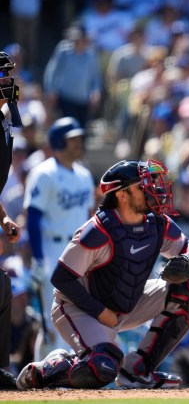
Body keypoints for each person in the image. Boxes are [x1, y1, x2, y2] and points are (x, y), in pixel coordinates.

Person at [16, 159, 189, 390]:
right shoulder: (98, 230)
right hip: (79, 307)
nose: (155, 188)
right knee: (101, 368)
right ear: (123, 195)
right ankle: (48, 370)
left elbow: (188, 247)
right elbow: (61, 279)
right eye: (144, 184)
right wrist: (101, 313)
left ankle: (138, 371)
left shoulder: (158, 223)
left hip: (125, 303)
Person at [23, 117, 95, 360]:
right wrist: (38, 259)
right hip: (53, 250)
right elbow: (32, 217)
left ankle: (73, 374)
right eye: (72, 139)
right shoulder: (43, 173)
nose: (78, 144)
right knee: (52, 321)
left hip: (80, 253)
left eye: (78, 139)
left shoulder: (84, 174)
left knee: (78, 319)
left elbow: (88, 218)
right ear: (58, 141)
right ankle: (39, 374)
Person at [0, 50, 23, 390]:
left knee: (2, 288)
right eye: (1, 75)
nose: (6, 81)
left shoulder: (3, 118)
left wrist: (3, 218)